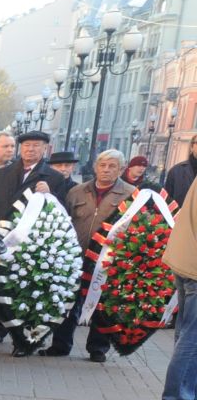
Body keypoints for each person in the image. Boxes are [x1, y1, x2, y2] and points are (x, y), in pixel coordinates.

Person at [0, 129, 73, 352]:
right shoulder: (2, 173)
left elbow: (59, 212)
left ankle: (23, 341)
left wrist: (51, 194)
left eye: (36, 146)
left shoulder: (54, 177)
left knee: (22, 292)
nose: (31, 149)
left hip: (29, 246)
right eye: (27, 145)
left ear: (45, 149)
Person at [48, 149, 136, 360]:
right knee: (69, 301)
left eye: (112, 166)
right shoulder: (77, 192)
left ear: (121, 169)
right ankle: (60, 344)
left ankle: (98, 348)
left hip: (108, 260)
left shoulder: (131, 193)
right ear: (95, 167)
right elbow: (65, 220)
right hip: (76, 256)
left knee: (102, 304)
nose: (106, 170)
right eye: (102, 165)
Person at [158, 197, 197, 400]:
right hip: (193, 266)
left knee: (186, 333)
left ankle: (185, 395)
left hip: (185, 260)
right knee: (192, 338)